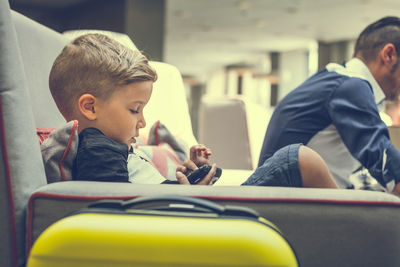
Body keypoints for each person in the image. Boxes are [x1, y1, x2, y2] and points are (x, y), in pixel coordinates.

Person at [48, 33, 337, 188]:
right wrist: (182, 192)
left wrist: (184, 176)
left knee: (299, 160)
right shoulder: (98, 148)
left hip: (191, 210)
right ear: (90, 106)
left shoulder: (112, 145)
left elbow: (139, 191)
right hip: (191, 218)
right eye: (135, 109)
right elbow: (123, 209)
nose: (142, 121)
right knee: (298, 159)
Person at [259, 16, 400, 195]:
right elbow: (391, 170)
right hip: (285, 207)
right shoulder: (350, 85)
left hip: (284, 200)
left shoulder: (336, 80)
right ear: (388, 55)